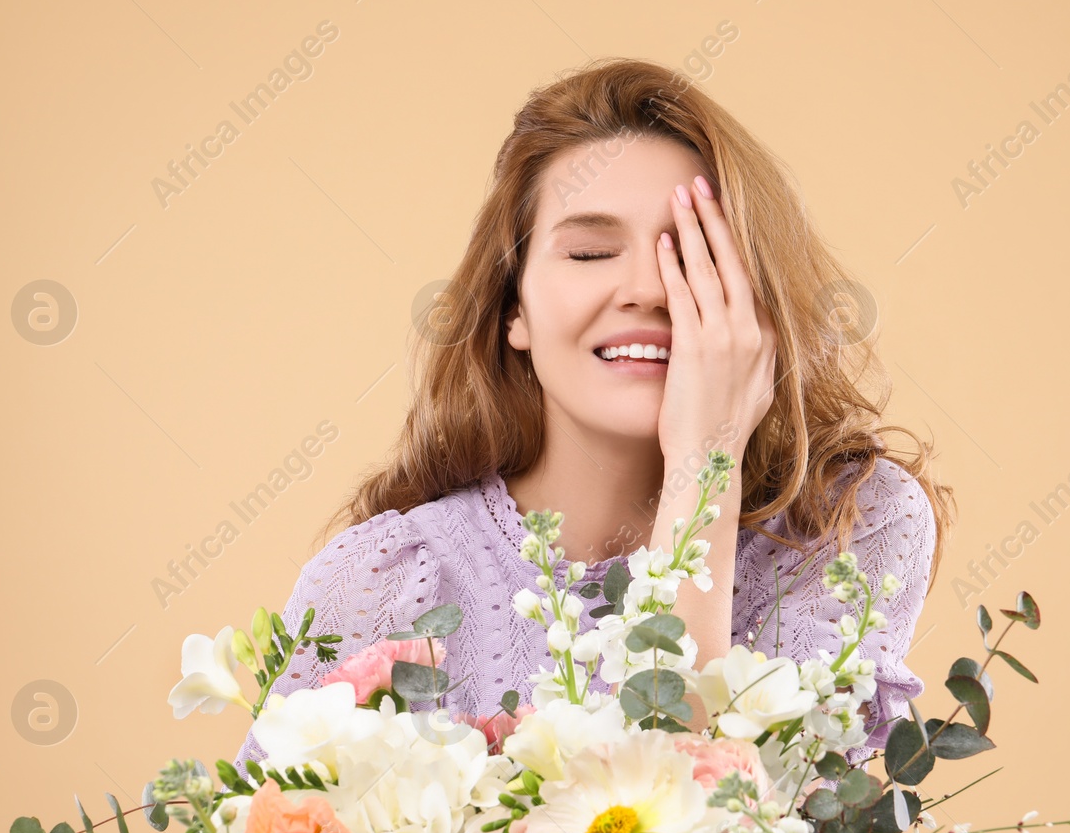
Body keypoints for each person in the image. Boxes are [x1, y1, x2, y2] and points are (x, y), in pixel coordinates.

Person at [235, 57, 955, 769]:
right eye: (589, 251)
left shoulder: (850, 528)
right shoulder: (380, 578)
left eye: (696, 255)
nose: (647, 288)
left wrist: (709, 459)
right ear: (514, 306)